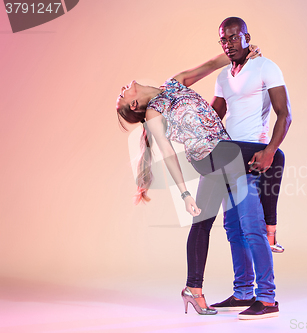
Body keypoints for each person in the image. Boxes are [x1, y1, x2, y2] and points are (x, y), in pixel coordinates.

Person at [116, 51, 279, 319]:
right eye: (122, 95)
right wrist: (184, 193)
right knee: (276, 157)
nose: (123, 89)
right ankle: (267, 285)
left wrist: (241, 55)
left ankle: (201, 290)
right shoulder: (155, 112)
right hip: (211, 158)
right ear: (135, 105)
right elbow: (168, 154)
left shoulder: (174, 83)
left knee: (209, 225)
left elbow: (212, 64)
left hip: (221, 156)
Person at [208, 17, 292, 313]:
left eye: (233, 37)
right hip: (229, 157)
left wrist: (270, 151)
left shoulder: (266, 67)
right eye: (223, 40)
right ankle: (243, 291)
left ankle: (266, 297)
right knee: (232, 227)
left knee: (250, 225)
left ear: (246, 37)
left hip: (254, 156)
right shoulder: (222, 77)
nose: (228, 43)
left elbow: (284, 114)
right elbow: (211, 119)